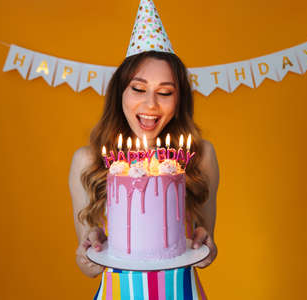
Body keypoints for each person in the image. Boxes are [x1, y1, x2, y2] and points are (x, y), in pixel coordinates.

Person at [69, 1, 219, 299]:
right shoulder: (88, 161)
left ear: (178, 101)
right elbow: (87, 265)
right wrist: (89, 250)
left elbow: (207, 247)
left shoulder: (200, 157)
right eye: (138, 89)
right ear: (120, 92)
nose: (151, 105)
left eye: (164, 92)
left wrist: (206, 248)